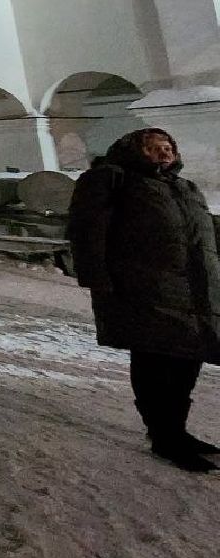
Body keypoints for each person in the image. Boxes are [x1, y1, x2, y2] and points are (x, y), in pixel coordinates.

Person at [66, 128, 220, 472]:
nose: (164, 154)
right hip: (143, 287)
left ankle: (177, 430)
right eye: (154, 149)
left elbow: (206, 234)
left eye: (168, 148)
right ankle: (164, 436)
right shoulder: (110, 180)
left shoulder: (184, 186)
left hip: (193, 288)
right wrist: (98, 280)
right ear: (134, 151)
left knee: (187, 357)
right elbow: (86, 230)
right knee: (155, 359)